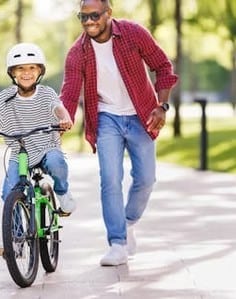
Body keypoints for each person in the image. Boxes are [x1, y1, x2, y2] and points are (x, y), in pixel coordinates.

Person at [60, 0, 178, 266]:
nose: (89, 22)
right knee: (110, 179)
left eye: (94, 15)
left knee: (146, 179)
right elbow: (68, 93)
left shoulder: (133, 34)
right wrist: (61, 124)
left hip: (141, 115)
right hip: (106, 118)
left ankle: (128, 222)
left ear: (108, 13)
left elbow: (163, 67)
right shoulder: (77, 52)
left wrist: (162, 106)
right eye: (83, 16)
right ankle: (117, 243)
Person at [0, 42, 76, 217]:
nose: (26, 73)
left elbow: (57, 107)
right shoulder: (6, 96)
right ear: (12, 73)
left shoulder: (46, 93)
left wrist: (64, 118)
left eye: (32, 68)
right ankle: (16, 236)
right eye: (20, 68)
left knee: (56, 163)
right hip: (19, 153)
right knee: (8, 194)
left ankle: (62, 193)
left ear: (40, 71)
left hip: (46, 147)